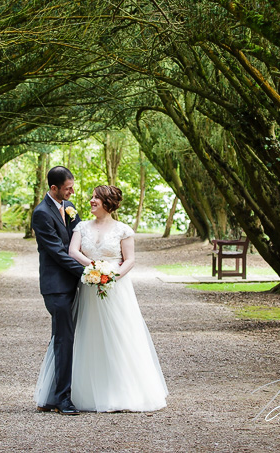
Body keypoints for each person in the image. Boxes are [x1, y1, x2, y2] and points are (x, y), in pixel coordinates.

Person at [35, 185, 168, 413]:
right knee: (88, 334)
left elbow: (130, 260)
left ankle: (121, 393)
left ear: (108, 203)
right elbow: (73, 252)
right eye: (92, 196)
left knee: (120, 335)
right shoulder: (81, 227)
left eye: (96, 198)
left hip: (116, 289)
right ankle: (84, 392)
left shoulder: (123, 230)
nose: (91, 200)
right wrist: (95, 268)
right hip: (89, 286)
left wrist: (111, 276)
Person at [32, 166, 85, 415]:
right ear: (54, 188)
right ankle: (63, 399)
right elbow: (58, 252)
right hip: (56, 287)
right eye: (68, 188)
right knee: (64, 338)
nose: (71, 192)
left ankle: (51, 395)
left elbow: (81, 238)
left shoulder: (69, 206)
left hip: (73, 283)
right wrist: (87, 272)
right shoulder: (41, 214)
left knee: (64, 337)